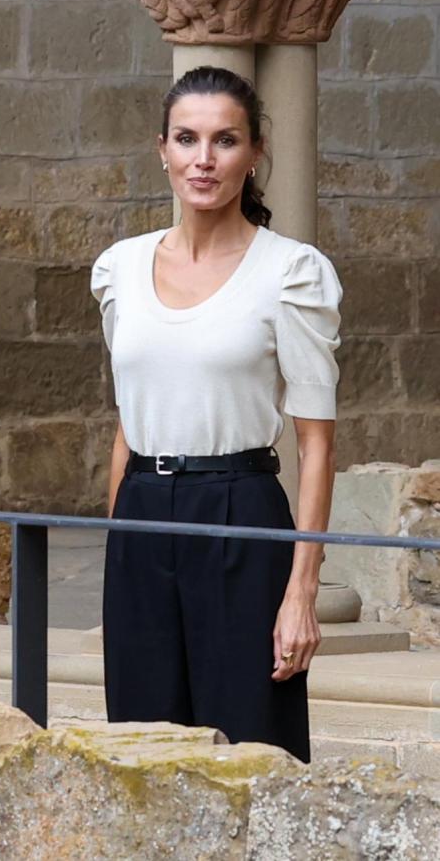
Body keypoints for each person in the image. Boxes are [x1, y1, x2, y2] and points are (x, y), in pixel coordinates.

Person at [91, 66, 341, 762]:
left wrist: (301, 593)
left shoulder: (291, 273)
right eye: (187, 139)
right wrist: (120, 544)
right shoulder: (118, 268)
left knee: (251, 744)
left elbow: (315, 445)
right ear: (161, 149)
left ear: (255, 152)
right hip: (142, 512)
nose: (203, 160)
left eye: (224, 140)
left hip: (241, 511)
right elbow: (125, 419)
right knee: (141, 748)